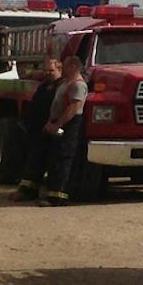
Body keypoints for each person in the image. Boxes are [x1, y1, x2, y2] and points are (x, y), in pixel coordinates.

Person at [40, 50, 89, 205]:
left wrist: (57, 125)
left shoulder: (78, 85)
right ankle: (52, 193)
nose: (63, 68)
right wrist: (50, 122)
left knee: (63, 159)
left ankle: (58, 197)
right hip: (58, 123)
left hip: (69, 126)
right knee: (54, 158)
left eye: (66, 66)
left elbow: (73, 108)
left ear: (74, 66)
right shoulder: (65, 83)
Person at [13, 58, 62, 201]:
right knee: (33, 159)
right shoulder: (44, 86)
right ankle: (28, 190)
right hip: (38, 129)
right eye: (45, 70)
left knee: (54, 161)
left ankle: (52, 193)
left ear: (60, 70)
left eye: (51, 70)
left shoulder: (63, 87)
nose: (47, 73)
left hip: (54, 130)